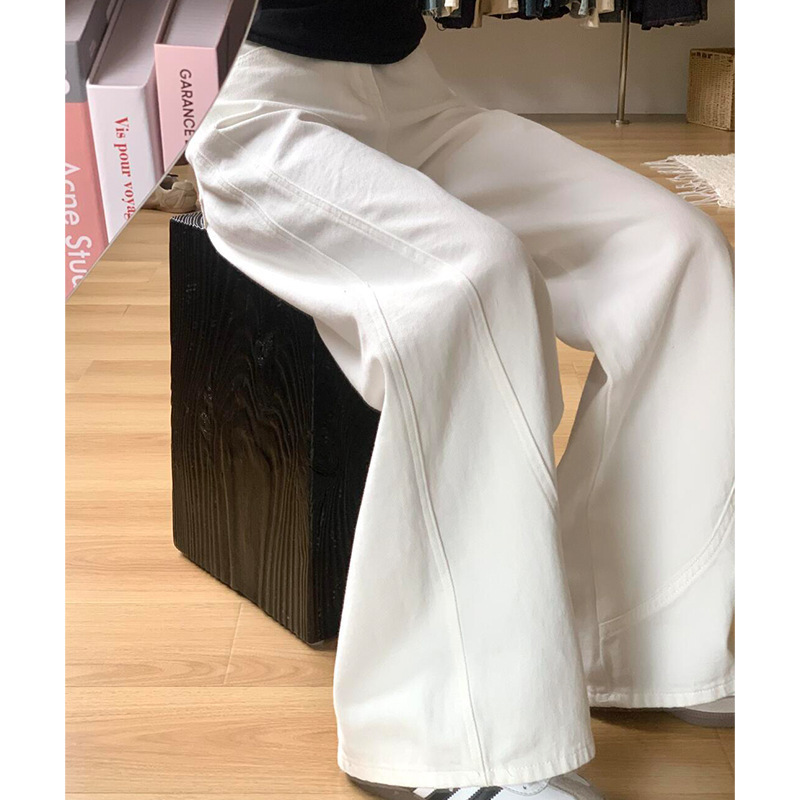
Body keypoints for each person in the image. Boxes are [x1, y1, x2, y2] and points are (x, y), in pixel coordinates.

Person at [185, 2, 735, 797]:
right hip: (254, 101)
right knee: (476, 283)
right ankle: (447, 731)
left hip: (410, 94)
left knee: (679, 252)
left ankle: (631, 638)